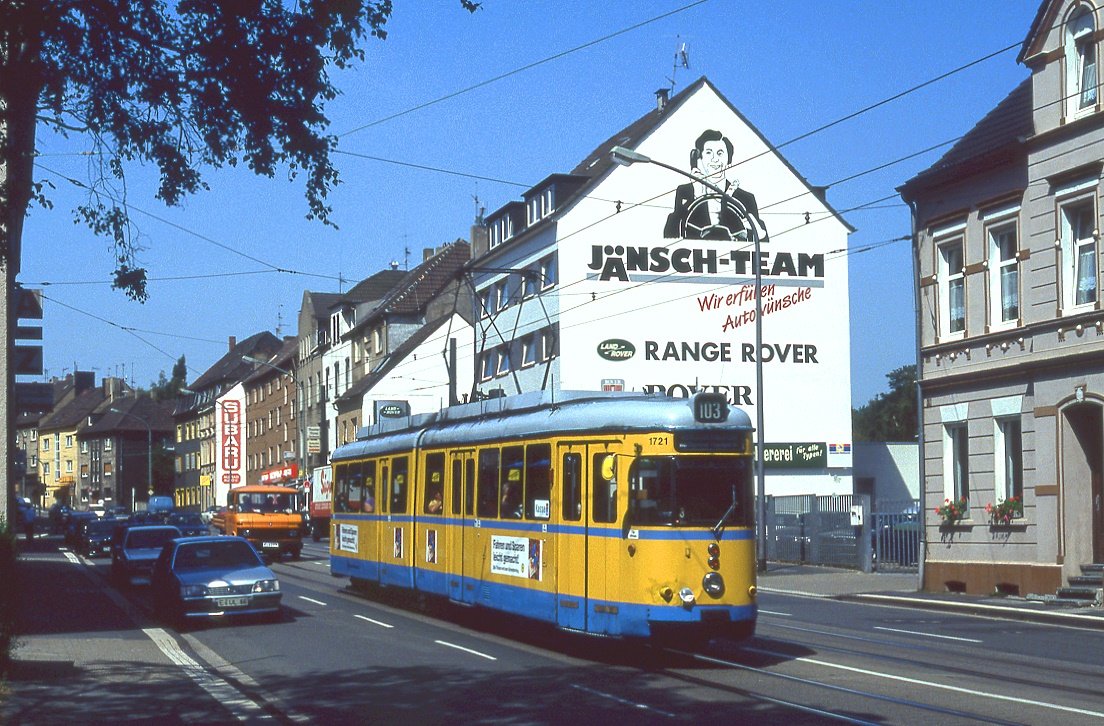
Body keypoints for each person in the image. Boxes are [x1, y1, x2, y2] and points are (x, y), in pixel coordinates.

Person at [663, 129, 768, 242]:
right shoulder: (686, 192)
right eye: (708, 152)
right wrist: (697, 196)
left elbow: (763, 242)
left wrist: (743, 213)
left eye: (720, 153)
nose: (715, 159)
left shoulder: (744, 198)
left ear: (729, 159)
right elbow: (671, 235)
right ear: (699, 157)